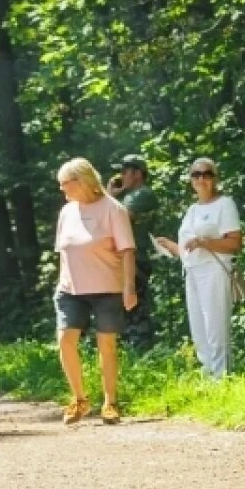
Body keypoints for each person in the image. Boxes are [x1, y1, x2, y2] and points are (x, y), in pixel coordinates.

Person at [54, 157, 138, 425]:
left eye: (65, 184)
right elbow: (63, 252)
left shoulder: (113, 209)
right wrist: (62, 283)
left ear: (81, 182)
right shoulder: (67, 211)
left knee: (107, 344)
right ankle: (79, 399)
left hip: (107, 288)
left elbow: (127, 251)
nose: (62, 190)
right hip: (70, 288)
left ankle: (110, 402)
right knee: (66, 339)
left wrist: (129, 288)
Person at [154, 158, 243, 379]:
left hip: (214, 270)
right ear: (191, 180)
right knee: (199, 328)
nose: (201, 179)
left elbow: (235, 243)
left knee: (215, 326)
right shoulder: (192, 210)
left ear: (215, 178)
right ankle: (207, 374)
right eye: (196, 175)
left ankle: (221, 378)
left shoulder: (224, 204)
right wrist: (170, 246)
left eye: (207, 174)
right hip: (192, 271)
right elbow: (187, 249)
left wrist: (205, 243)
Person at [107, 154, 159, 349]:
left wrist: (109, 197)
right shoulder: (126, 197)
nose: (120, 176)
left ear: (137, 174)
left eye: (124, 171)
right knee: (123, 315)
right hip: (125, 262)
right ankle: (129, 357)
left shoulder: (142, 194)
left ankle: (142, 356)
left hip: (136, 263)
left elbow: (118, 219)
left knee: (136, 314)